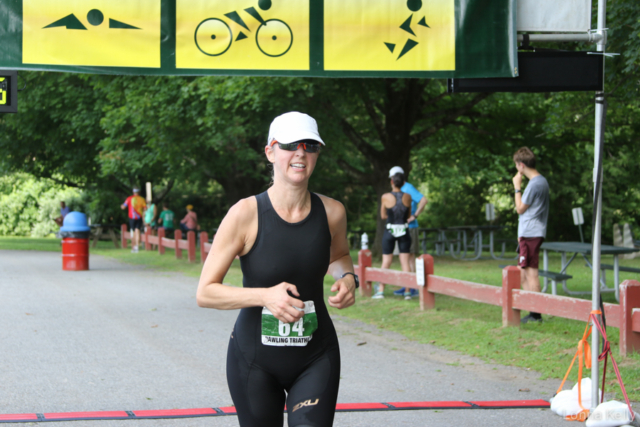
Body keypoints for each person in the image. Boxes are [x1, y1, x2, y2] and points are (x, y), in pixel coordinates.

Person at [196, 111, 357, 427]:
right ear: (270, 151)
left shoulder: (333, 212)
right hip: (255, 361)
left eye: (310, 145)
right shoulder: (245, 213)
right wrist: (266, 297)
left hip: (316, 356)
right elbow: (205, 292)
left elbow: (340, 256)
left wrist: (347, 278)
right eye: (289, 145)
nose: (300, 152)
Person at [512, 147, 549, 324]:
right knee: (521, 272)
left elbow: (520, 208)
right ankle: (531, 309)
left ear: (521, 165)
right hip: (530, 233)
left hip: (531, 234)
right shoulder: (541, 181)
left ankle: (536, 314)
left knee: (531, 273)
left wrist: (517, 187)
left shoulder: (534, 184)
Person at [387, 166, 428, 298]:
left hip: (410, 227)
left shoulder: (408, 188)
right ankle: (407, 286)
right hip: (400, 227)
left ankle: (412, 287)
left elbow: (423, 200)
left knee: (409, 257)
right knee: (405, 257)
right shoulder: (399, 189)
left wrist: (414, 216)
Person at [373, 173, 413, 300]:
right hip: (404, 230)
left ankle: (380, 291)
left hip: (390, 230)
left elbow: (383, 216)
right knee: (405, 262)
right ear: (403, 183)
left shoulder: (385, 196)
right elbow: (408, 215)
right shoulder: (408, 196)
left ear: (392, 182)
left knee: (386, 262)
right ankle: (407, 292)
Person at [121, 188, 146, 253]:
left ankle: (134, 246)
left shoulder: (129, 198)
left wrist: (121, 206)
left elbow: (123, 207)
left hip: (132, 217)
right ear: (139, 192)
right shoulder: (142, 199)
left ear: (133, 192)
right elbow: (145, 208)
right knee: (137, 231)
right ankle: (137, 246)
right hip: (139, 217)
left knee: (133, 231)